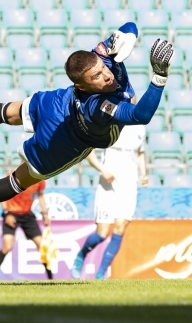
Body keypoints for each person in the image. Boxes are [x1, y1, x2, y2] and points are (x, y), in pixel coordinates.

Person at [0, 23, 174, 225]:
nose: (106, 76)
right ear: (82, 85)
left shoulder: (100, 55)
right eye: (96, 77)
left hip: (58, 104)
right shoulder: (98, 106)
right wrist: (159, 77)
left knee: (9, 111)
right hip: (65, 142)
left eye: (102, 69)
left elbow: (129, 27)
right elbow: (139, 116)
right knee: (20, 180)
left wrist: (127, 37)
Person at [71, 98, 148, 280]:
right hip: (109, 183)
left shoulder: (140, 128)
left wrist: (144, 174)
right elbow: (90, 153)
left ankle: (101, 273)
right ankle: (82, 254)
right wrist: (102, 170)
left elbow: (140, 154)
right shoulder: (109, 123)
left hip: (129, 184)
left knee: (120, 228)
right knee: (102, 233)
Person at [0, 178, 52, 280]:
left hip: (27, 214)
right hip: (11, 213)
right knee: (7, 246)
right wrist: (6, 213)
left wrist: (45, 214)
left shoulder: (39, 179)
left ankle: (50, 279)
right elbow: (2, 195)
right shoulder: (13, 176)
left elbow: (40, 195)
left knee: (42, 246)